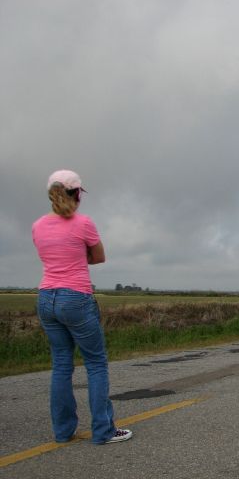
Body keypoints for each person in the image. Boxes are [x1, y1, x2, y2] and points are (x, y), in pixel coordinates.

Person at [32, 170, 132, 445]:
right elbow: (98, 256)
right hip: (75, 297)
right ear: (77, 193)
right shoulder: (83, 223)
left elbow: (47, 255)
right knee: (96, 364)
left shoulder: (38, 225)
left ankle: (63, 432)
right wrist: (78, 253)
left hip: (46, 297)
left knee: (62, 364)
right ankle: (103, 430)